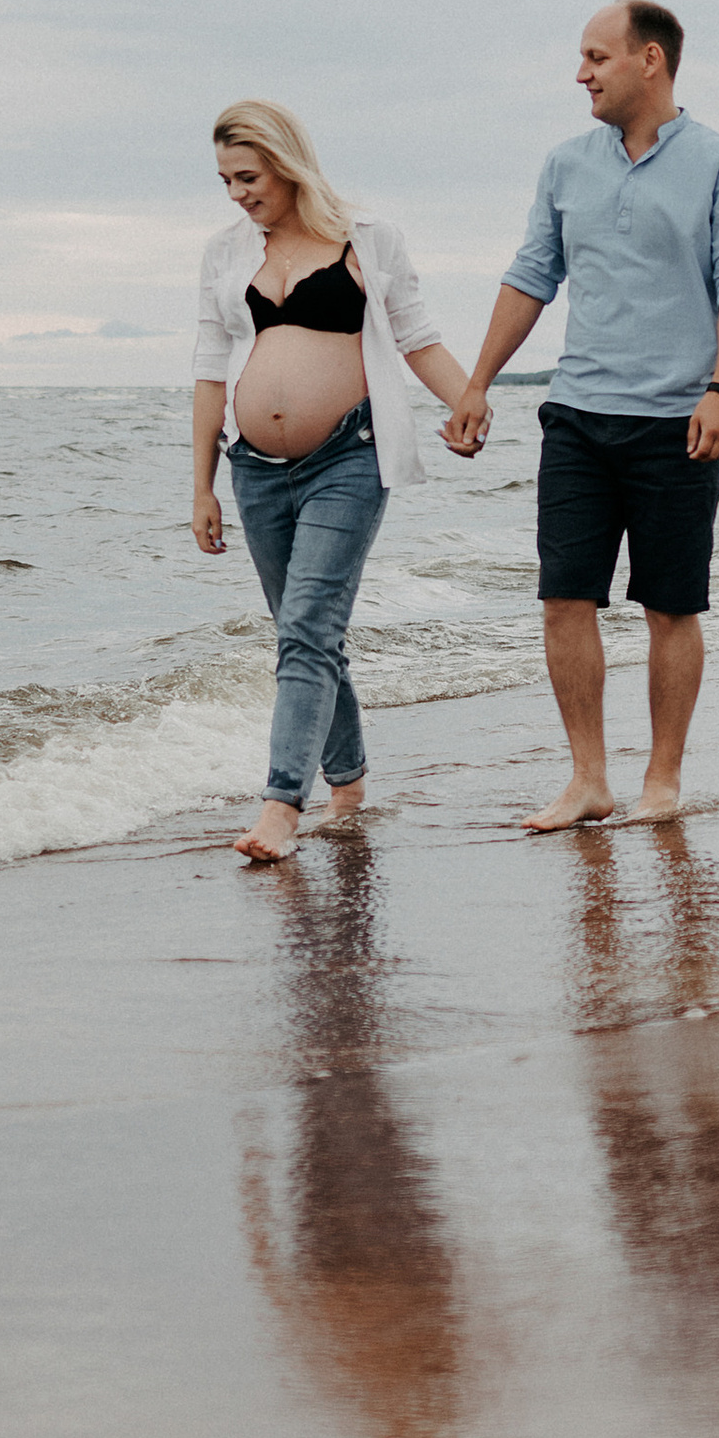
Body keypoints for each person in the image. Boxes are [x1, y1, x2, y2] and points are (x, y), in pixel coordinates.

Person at [443, 0, 719, 829]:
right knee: (565, 598)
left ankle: (662, 780)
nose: (580, 73)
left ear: (649, 60)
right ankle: (588, 778)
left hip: (678, 423)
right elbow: (530, 279)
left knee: (671, 605)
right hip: (579, 414)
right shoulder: (564, 166)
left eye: (596, 56)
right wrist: (477, 381)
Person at [192, 100, 478, 865]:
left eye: (247, 176)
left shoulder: (369, 239)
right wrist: (201, 486)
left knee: (307, 629)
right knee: (305, 631)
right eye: (224, 180)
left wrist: (469, 400)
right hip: (251, 469)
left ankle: (283, 802)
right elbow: (209, 374)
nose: (237, 194)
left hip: (348, 457)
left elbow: (418, 338)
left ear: (286, 162)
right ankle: (347, 783)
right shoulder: (225, 253)